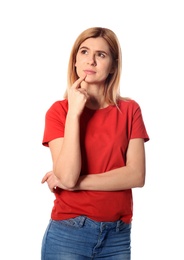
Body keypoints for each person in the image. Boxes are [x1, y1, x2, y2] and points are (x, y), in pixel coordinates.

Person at [41, 27, 149, 260]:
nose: (91, 60)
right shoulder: (59, 112)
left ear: (113, 66)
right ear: (75, 61)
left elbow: (136, 175)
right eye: (84, 51)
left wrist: (74, 184)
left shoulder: (130, 110)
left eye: (101, 54)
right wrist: (74, 114)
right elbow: (67, 176)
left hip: (117, 236)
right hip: (69, 233)